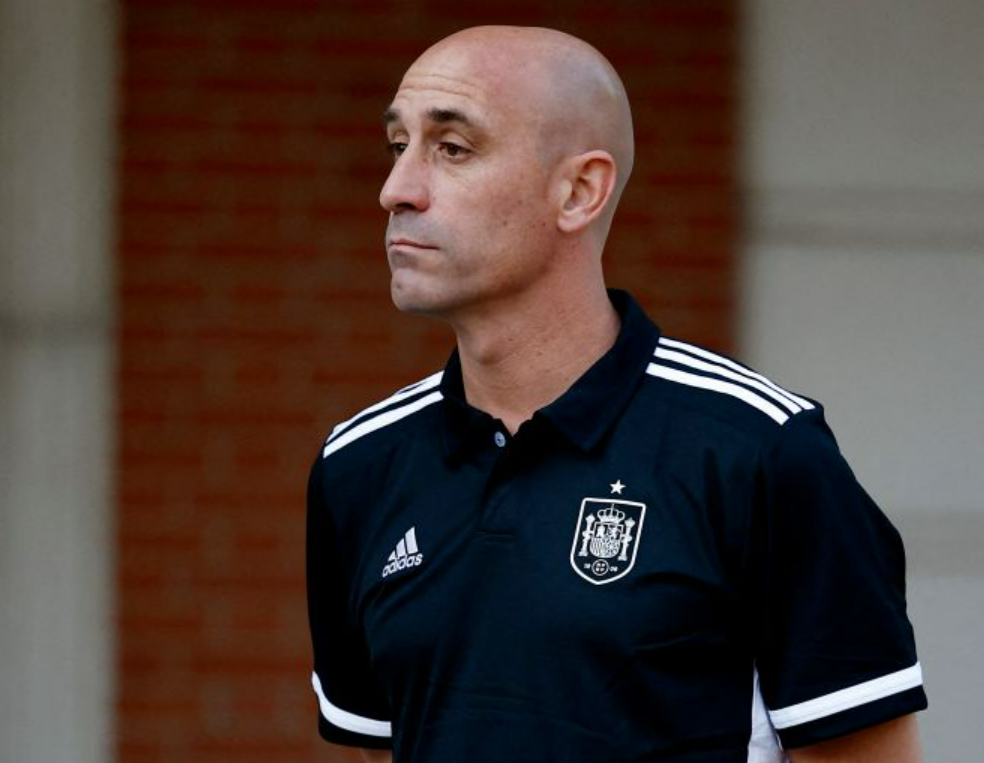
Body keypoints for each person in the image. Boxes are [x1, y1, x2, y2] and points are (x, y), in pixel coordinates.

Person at [307, 25, 927, 763]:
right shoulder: (358, 466)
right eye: (397, 145)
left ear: (578, 191)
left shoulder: (758, 452)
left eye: (452, 148)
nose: (396, 190)